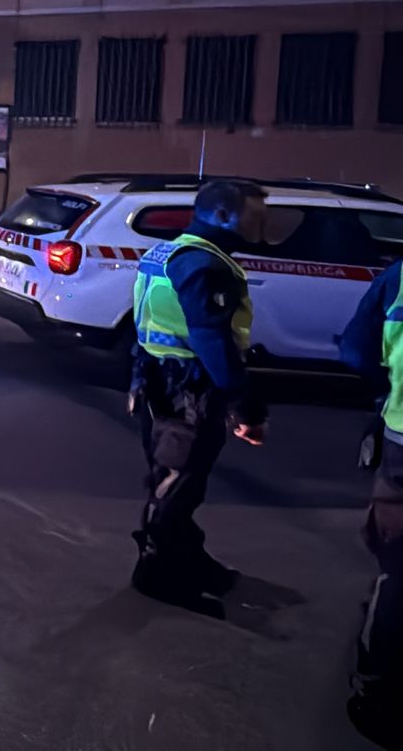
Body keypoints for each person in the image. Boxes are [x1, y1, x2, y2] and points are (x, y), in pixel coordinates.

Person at [127, 178, 269, 611]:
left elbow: (147, 321)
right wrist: (242, 403)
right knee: (176, 484)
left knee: (176, 480)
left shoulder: (168, 250)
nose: (262, 223)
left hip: (157, 382)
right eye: (255, 214)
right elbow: (211, 338)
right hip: (185, 391)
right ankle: (156, 576)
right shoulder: (205, 264)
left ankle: (188, 560)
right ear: (225, 215)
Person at [340, 250, 403, 744]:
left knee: (398, 568)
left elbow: (357, 351)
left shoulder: (398, 277)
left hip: (402, 441)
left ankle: (376, 685)